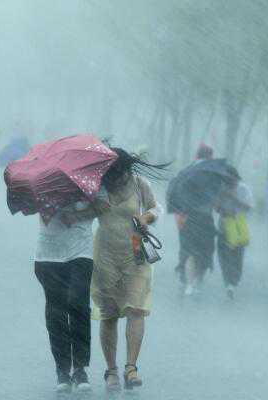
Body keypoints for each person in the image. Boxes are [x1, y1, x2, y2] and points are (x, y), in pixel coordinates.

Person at [91, 148, 164, 392]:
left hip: (135, 254)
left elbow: (156, 208)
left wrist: (146, 218)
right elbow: (86, 213)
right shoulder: (97, 186)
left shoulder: (139, 184)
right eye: (111, 174)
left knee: (136, 309)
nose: (117, 178)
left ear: (126, 169)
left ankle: (131, 367)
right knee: (109, 314)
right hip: (105, 256)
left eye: (120, 173)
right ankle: (111, 370)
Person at [34, 200, 99, 394]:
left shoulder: (89, 175)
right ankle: (62, 370)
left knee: (78, 304)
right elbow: (31, 206)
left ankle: (80, 368)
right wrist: (50, 206)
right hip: (48, 254)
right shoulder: (44, 178)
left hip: (81, 251)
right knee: (56, 311)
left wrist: (76, 215)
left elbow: (103, 206)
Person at [178, 143, 217, 295]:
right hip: (205, 217)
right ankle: (197, 280)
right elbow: (215, 197)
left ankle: (189, 283)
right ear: (208, 156)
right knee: (205, 250)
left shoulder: (187, 171)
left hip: (189, 217)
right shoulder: (213, 174)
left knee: (191, 250)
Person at [215, 167, 253, 299]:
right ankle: (228, 284)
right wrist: (221, 197)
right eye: (226, 180)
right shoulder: (221, 188)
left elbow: (248, 207)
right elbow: (217, 208)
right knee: (224, 256)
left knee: (237, 257)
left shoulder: (244, 189)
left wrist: (234, 197)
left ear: (236, 178)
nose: (229, 182)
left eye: (231, 180)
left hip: (238, 227)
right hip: (223, 226)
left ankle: (234, 281)